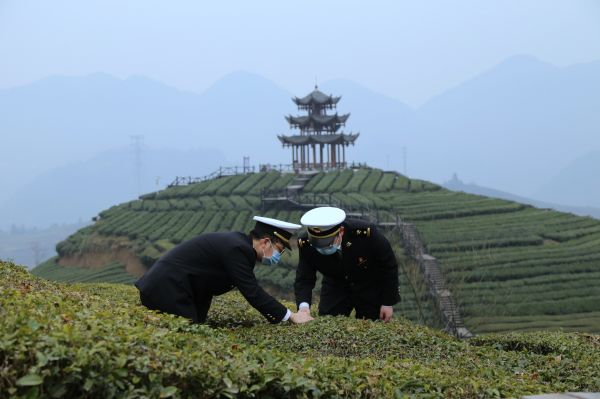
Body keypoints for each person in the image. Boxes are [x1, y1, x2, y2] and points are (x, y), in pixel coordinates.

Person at [135, 216, 314, 325]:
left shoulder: (240, 246)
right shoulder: (238, 250)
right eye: (280, 249)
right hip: (167, 289)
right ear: (265, 242)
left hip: (176, 290)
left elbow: (206, 285)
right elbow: (252, 292)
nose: (279, 255)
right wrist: (290, 316)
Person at [294, 207, 400, 322]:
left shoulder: (366, 234)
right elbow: (304, 278)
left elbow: (389, 266)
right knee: (328, 322)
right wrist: (303, 307)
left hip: (368, 284)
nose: (323, 248)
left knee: (373, 323)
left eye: (328, 244)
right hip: (335, 285)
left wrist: (387, 302)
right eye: (318, 245)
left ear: (341, 232)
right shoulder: (306, 244)